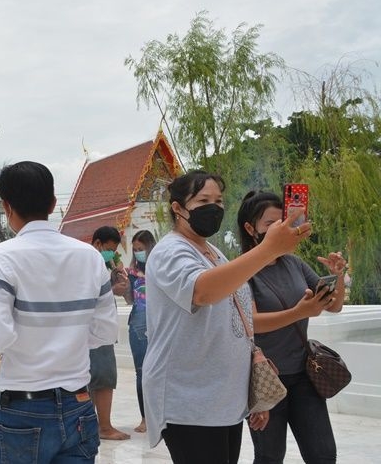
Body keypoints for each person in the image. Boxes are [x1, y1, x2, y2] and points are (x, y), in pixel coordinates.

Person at [142, 170, 310, 464]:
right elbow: (202, 291)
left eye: (219, 201)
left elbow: (241, 322)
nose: (214, 207)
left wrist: (253, 396)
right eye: (203, 200)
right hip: (190, 400)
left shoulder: (214, 253)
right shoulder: (170, 251)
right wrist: (268, 249)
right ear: (178, 208)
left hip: (223, 400)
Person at [0, 161, 119, 463]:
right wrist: (67, 340)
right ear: (53, 203)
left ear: (6, 206)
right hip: (79, 405)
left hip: (24, 409)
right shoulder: (91, 257)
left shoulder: (0, 257)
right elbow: (105, 332)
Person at [237, 191, 346, 464]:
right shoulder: (241, 270)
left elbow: (333, 305)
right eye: (270, 224)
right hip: (264, 378)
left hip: (303, 374)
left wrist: (338, 276)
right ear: (250, 228)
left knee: (323, 454)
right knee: (270, 456)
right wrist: (299, 312)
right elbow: (252, 322)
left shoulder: (293, 263)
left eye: (282, 222)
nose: (280, 229)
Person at [89, 226, 131, 440]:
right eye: (108, 249)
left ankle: (98, 426)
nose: (111, 254)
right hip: (93, 331)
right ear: (97, 244)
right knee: (100, 379)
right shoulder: (87, 263)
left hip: (102, 331)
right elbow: (87, 295)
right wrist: (112, 291)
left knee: (102, 378)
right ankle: (101, 427)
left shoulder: (102, 265)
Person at [124, 229, 156, 434]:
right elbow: (129, 300)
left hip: (159, 322)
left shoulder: (161, 269)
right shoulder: (131, 273)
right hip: (138, 323)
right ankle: (145, 417)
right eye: (135, 250)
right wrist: (124, 286)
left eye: (141, 249)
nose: (138, 253)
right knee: (141, 371)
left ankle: (161, 415)